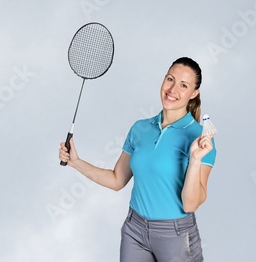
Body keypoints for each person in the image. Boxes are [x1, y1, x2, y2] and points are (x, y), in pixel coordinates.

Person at [58, 57, 216, 262]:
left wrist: (195, 159)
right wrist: (75, 162)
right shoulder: (140, 128)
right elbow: (117, 180)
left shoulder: (200, 139)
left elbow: (190, 205)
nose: (172, 89)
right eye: (170, 79)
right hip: (135, 229)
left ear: (194, 93)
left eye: (183, 85)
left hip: (175, 235)